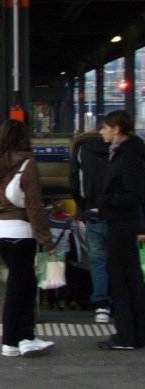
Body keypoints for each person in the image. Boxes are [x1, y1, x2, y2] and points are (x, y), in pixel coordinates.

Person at [0, 119, 56, 357]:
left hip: (0, 232)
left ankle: (26, 336)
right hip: (21, 232)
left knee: (25, 283)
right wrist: (47, 241)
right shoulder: (27, 165)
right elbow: (34, 206)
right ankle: (13, 341)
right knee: (19, 287)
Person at [96, 110, 145, 350]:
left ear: (116, 129)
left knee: (123, 280)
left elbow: (133, 195)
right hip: (125, 224)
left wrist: (105, 200)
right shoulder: (125, 153)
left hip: (123, 226)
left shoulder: (126, 157)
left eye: (105, 127)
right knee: (131, 279)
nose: (101, 131)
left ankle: (126, 335)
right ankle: (135, 332)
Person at [68, 130, 111, 323]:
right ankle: (122, 301)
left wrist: (83, 208)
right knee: (120, 260)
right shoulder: (117, 149)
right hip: (118, 215)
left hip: (93, 213)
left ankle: (102, 306)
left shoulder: (81, 150)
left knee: (97, 261)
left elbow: (75, 182)